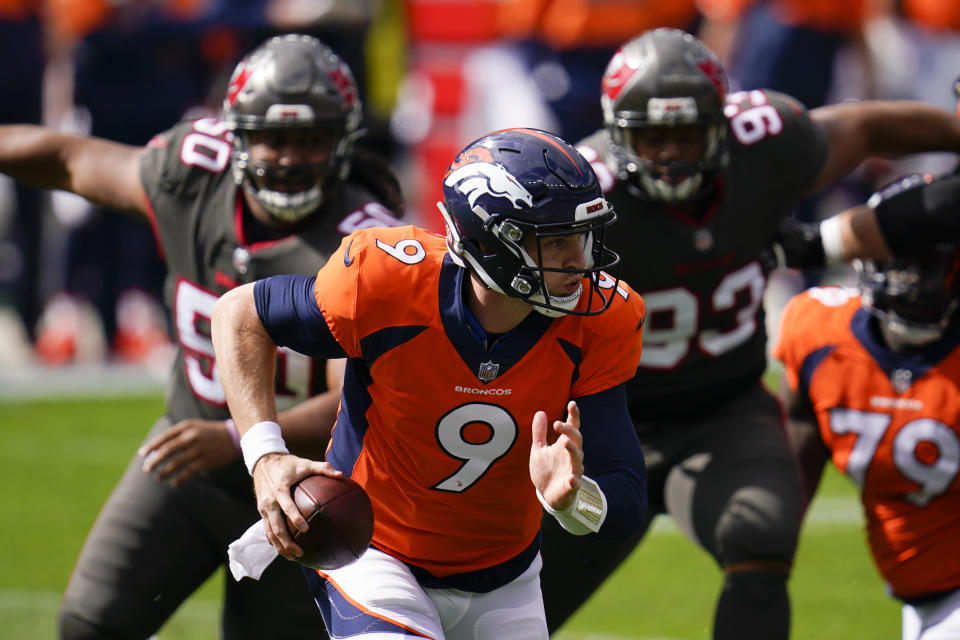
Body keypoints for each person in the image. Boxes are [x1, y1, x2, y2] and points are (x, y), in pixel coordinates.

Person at [537, 27, 960, 640]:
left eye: (687, 135)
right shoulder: (582, 195)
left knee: (759, 530)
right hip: (605, 414)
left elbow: (866, 127)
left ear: (722, 124)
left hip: (723, 408)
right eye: (653, 138)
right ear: (617, 131)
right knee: (523, 598)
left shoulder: (765, 144)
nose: (671, 155)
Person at [0, 34, 404, 638]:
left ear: (341, 143)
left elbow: (355, 401)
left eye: (310, 138)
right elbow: (70, 160)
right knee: (89, 625)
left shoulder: (362, 247)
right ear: (237, 136)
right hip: (187, 461)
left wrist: (235, 437)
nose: (289, 157)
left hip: (304, 487)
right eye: (272, 137)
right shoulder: (193, 177)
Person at [210, 127, 649, 639]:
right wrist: (264, 456)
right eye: (556, 241)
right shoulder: (387, 282)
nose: (580, 260)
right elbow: (240, 313)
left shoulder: (603, 317)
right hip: (376, 554)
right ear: (490, 241)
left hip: (507, 579)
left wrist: (573, 502)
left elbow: (625, 499)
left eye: (582, 236)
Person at [773, 221, 960, 640]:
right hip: (922, 596)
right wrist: (775, 531)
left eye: (933, 266)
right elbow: (801, 425)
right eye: (904, 262)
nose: (916, 281)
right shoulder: (817, 328)